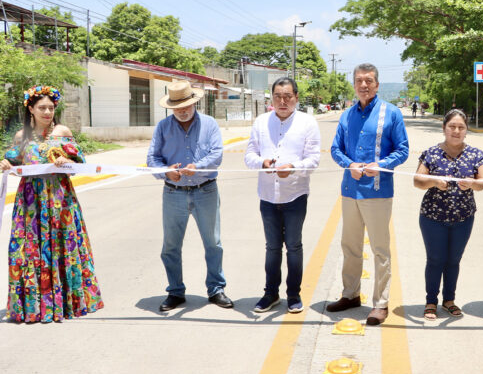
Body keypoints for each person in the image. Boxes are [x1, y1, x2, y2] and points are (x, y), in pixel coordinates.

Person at [1, 86, 104, 323]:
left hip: (60, 198)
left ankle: (68, 303)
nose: (47, 111)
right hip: (30, 201)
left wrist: (65, 159)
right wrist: (6, 163)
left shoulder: (62, 132)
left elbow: (80, 161)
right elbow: (13, 159)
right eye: (42, 108)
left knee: (63, 246)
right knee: (28, 250)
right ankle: (34, 306)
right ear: (31, 109)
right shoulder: (22, 137)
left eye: (51, 107)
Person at [327, 63, 409, 325]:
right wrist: (348, 164)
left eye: (369, 80)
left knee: (380, 249)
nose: (364, 85)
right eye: (359, 80)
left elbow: (403, 150)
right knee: (349, 246)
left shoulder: (392, 113)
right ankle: (350, 295)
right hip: (350, 191)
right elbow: (335, 149)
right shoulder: (346, 115)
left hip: (378, 191)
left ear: (377, 84)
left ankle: (381, 303)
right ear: (354, 84)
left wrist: (381, 166)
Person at [147, 80, 233, 312]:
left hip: (205, 189)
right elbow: (152, 159)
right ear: (171, 107)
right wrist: (167, 172)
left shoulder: (210, 124)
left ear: (195, 103)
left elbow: (216, 153)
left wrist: (198, 166)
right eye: (177, 107)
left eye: (186, 105)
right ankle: (175, 291)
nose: (183, 111)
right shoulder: (163, 127)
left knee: (213, 243)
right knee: (171, 245)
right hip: (173, 193)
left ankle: (216, 289)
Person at [245, 78, 321, 314]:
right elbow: (249, 155)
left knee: (294, 246)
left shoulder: (308, 123)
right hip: (268, 196)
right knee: (272, 247)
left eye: (288, 96)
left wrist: (293, 167)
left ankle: (293, 295)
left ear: (296, 97)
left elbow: (313, 159)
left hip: (295, 196)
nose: (282, 101)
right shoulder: (260, 123)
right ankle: (270, 293)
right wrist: (262, 162)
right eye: (278, 96)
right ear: (272, 98)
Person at [414, 109, 483, 320]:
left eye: (461, 127)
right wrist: (434, 181)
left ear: (466, 130)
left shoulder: (476, 154)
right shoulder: (431, 153)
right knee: (435, 259)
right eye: (452, 127)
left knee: (453, 260)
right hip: (432, 218)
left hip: (463, 218)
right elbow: (417, 181)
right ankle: (430, 301)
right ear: (444, 128)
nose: (456, 131)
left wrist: (473, 184)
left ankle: (449, 301)